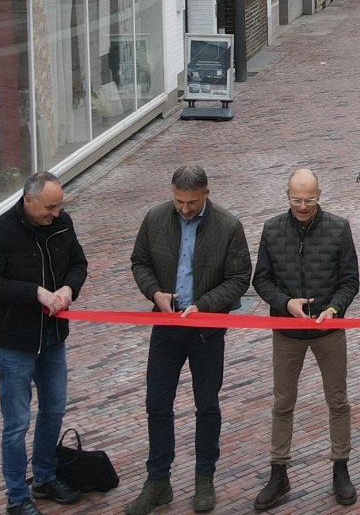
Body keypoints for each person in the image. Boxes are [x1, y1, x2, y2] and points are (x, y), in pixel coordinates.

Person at [128, 166, 252, 515]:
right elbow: (140, 262)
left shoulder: (228, 226)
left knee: (207, 405)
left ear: (206, 194)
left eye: (192, 202)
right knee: (157, 403)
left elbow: (240, 277)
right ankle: (157, 481)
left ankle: (204, 479)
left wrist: (204, 306)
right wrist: (155, 293)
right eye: (179, 201)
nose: (184, 208)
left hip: (206, 330)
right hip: (166, 325)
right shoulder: (155, 219)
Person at [0, 171, 89, 515]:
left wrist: (69, 289)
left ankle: (44, 477)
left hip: (52, 338)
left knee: (53, 409)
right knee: (17, 424)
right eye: (49, 208)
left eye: (58, 206)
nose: (55, 214)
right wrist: (34, 292)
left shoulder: (62, 224)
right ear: (28, 200)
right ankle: (16, 498)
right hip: (14, 343)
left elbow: (79, 264)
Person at [250, 168, 360, 510]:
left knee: (337, 400)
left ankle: (340, 467)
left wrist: (334, 308)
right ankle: (278, 471)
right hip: (287, 331)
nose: (302, 206)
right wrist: (285, 303)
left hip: (328, 330)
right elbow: (261, 280)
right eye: (296, 200)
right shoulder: (271, 229)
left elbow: (350, 281)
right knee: (283, 403)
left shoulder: (339, 228)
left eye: (309, 200)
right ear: (287, 196)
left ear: (319, 195)